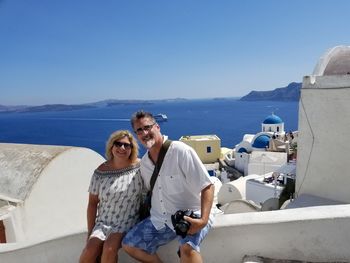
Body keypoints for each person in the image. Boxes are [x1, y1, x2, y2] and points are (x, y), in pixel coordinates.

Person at [122, 111, 214, 263]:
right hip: (161, 219)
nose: (144, 133)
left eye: (147, 127)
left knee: (187, 249)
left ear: (157, 127)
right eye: (139, 130)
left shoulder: (180, 151)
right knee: (130, 245)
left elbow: (207, 186)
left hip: (190, 216)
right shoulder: (144, 163)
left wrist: (203, 220)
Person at [79, 130, 143, 263]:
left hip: (127, 221)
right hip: (103, 223)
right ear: (111, 147)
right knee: (89, 250)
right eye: (118, 144)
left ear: (132, 149)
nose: (122, 148)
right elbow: (92, 203)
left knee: (109, 248)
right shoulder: (100, 172)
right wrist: (90, 232)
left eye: (127, 145)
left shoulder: (140, 167)